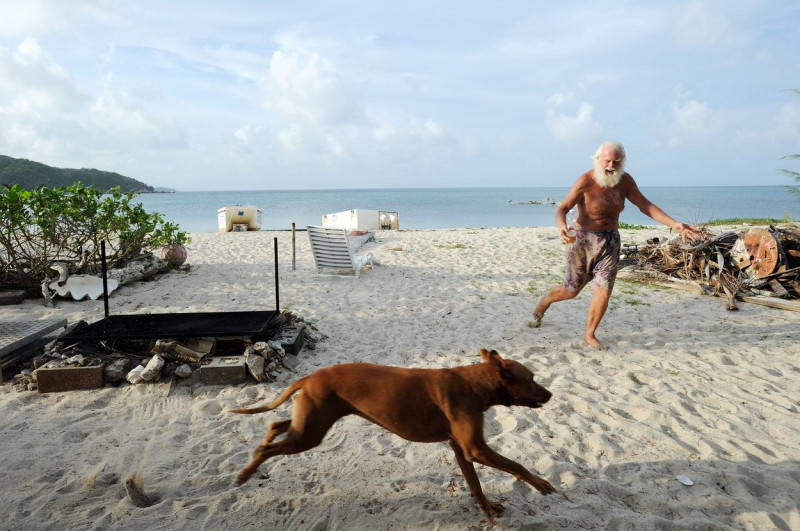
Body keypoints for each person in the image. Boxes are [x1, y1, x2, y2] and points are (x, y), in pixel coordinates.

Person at [530, 141, 702, 350]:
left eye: (616, 162)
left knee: (603, 291)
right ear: (597, 160)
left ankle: (590, 334)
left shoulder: (625, 181)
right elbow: (563, 208)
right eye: (607, 161)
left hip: (610, 242)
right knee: (571, 291)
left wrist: (675, 224)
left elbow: (645, 206)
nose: (611, 165)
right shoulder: (585, 180)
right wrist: (562, 227)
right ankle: (544, 303)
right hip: (584, 242)